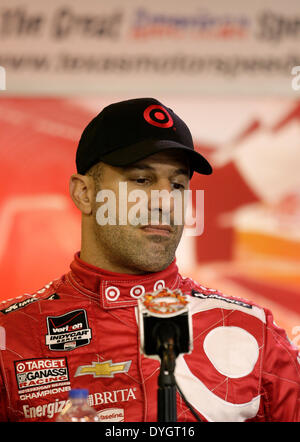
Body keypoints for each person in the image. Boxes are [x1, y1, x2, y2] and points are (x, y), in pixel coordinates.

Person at [0, 97, 299, 422]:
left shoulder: (257, 334)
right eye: (141, 180)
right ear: (84, 193)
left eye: (177, 184)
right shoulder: (10, 336)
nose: (164, 201)